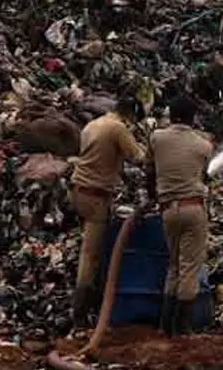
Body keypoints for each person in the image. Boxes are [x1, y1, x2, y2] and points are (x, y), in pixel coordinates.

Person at [68, 93, 145, 329]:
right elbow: (139, 158)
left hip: (77, 190)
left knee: (91, 250)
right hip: (95, 196)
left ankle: (89, 300)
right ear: (130, 114)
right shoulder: (117, 128)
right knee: (90, 256)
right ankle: (80, 314)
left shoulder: (94, 124)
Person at [148, 94, 215, 336]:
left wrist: (153, 196)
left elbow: (150, 170)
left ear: (170, 114)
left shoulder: (157, 138)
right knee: (189, 269)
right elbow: (203, 175)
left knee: (174, 266)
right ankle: (182, 328)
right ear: (193, 117)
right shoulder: (203, 145)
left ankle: (165, 326)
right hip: (192, 208)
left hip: (167, 210)